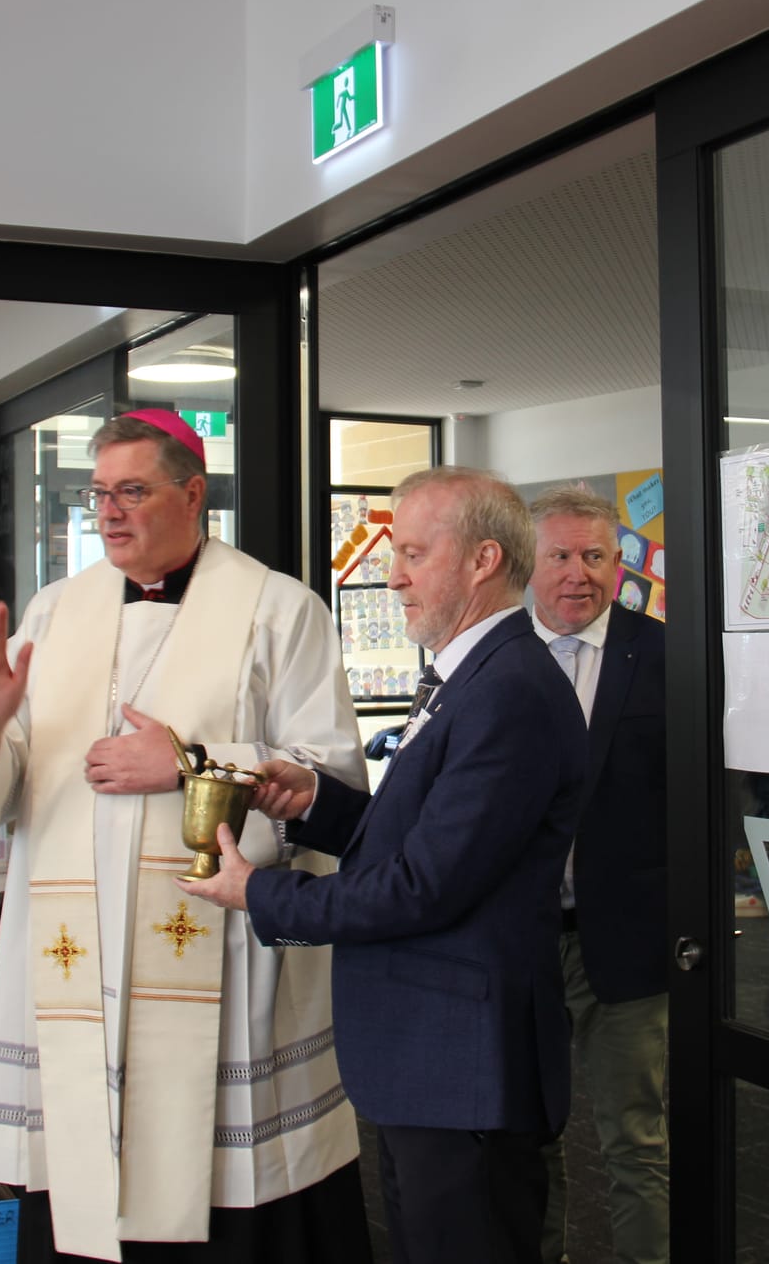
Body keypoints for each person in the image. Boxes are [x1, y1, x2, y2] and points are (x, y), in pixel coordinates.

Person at [0, 409, 371, 1264]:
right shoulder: (55, 612)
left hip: (221, 950)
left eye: (133, 489)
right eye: (100, 493)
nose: (110, 512)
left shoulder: (277, 608)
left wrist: (191, 763)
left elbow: (331, 779)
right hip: (76, 962)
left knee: (222, 1186)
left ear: (192, 491)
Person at [181, 466, 588, 1264]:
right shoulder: (468, 674)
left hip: (465, 1067)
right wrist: (316, 805)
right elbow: (431, 841)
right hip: (432, 1062)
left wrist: (261, 892)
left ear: (482, 561)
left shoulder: (507, 689)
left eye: (411, 553)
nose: (392, 575)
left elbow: (422, 886)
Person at [528, 485, 670, 1264]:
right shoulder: (499, 658)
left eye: (594, 556)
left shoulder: (661, 656)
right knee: (528, 1133)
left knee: (636, 1141)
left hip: (628, 945)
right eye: (560, 555)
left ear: (619, 564)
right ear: (532, 564)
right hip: (524, 944)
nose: (577, 573)